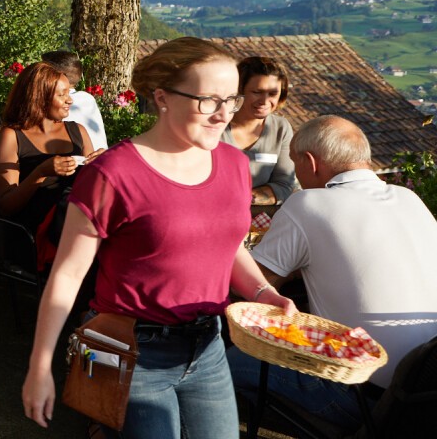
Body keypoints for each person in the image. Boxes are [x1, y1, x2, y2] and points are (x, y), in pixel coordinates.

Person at [22, 37, 296, 438]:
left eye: (231, 100)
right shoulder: (112, 175)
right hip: (134, 351)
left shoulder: (235, 165)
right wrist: (40, 366)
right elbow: (66, 276)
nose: (223, 115)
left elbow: (227, 244)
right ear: (163, 97)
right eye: (209, 101)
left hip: (209, 347)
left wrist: (262, 293)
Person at [227, 116, 437, 430]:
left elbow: (252, 285)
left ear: (310, 162)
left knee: (221, 367)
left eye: (295, 163)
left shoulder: (307, 203)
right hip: (426, 390)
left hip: (365, 398)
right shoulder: (409, 198)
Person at [0, 61, 99, 261]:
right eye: (62, 94)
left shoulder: (77, 131)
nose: (69, 101)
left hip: (76, 221)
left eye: (69, 93)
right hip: (33, 233)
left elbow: (91, 187)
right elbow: (5, 206)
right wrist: (40, 172)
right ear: (39, 98)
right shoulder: (11, 136)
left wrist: (101, 166)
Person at [223, 55, 297, 207]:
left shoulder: (280, 129)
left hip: (261, 225)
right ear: (239, 90)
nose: (264, 101)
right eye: (257, 92)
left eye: (272, 94)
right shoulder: (216, 125)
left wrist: (240, 200)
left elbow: (285, 185)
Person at [42, 49, 108, 151]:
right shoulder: (88, 99)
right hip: (100, 160)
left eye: (42, 71)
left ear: (57, 76)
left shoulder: (54, 102)